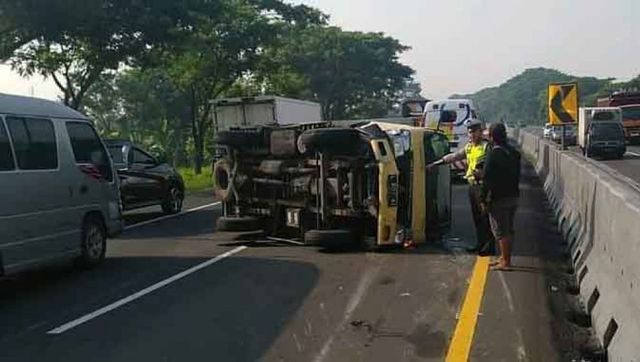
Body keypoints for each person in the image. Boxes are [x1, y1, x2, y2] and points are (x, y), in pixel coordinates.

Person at [427, 119, 495, 255]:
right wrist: (435, 164)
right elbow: (454, 157)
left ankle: (489, 247)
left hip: (483, 187)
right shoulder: (469, 146)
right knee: (477, 218)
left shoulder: (487, 147)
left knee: (485, 219)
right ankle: (480, 244)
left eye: (474, 132)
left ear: (480, 132)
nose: (471, 135)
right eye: (469, 132)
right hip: (472, 186)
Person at [482, 123, 521, 270]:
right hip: (513, 196)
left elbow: (487, 178)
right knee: (509, 229)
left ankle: (506, 261)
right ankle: (504, 258)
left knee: (500, 231)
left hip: (498, 199)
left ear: (492, 137)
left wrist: (482, 198)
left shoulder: (493, 154)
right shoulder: (513, 152)